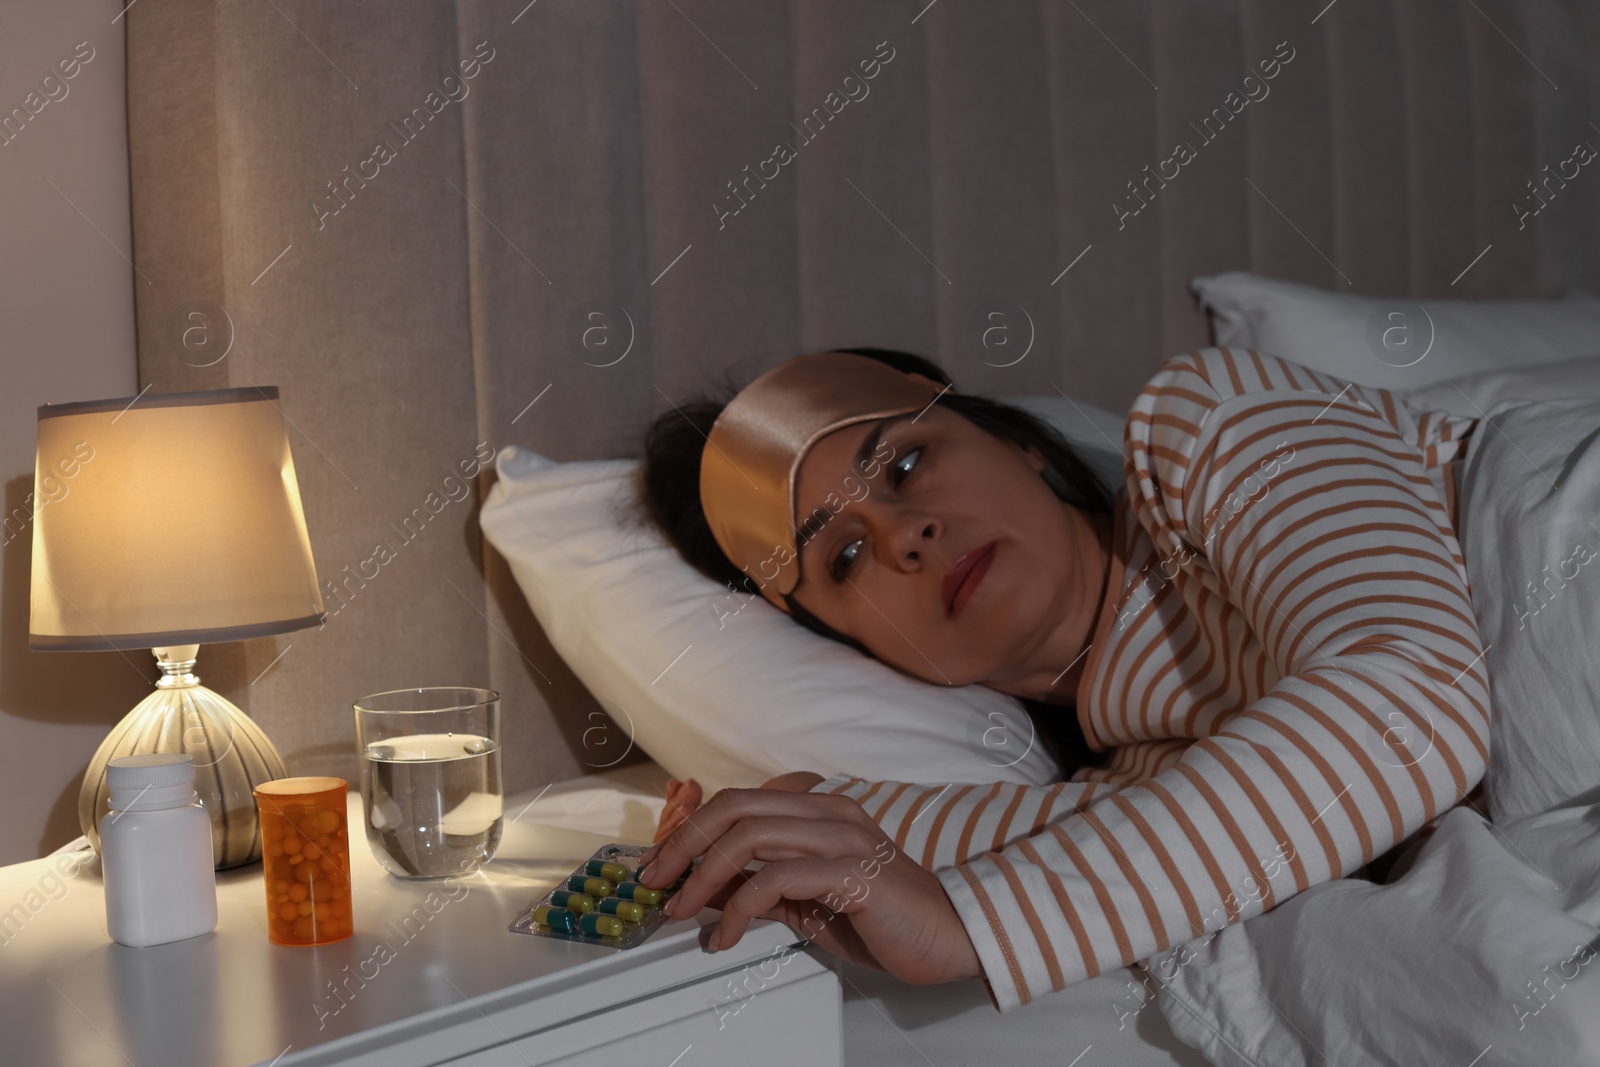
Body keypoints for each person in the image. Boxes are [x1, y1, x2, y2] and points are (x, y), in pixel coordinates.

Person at [633, 346, 1491, 1012]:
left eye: (902, 467)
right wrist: (800, 811)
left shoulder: (1212, 423)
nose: (907, 536)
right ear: (850, 645)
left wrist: (971, 923)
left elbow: (1412, 704)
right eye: (847, 556)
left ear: (1019, 442)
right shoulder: (1151, 773)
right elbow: (1171, 828)